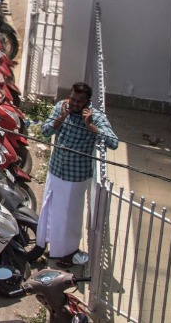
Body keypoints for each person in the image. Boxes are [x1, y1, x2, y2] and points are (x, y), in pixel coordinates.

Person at [35, 82, 119, 267]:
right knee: (50, 209)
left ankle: (67, 253)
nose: (74, 103)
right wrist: (62, 118)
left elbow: (113, 142)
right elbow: (45, 130)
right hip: (56, 170)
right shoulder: (61, 108)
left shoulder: (95, 117)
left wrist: (91, 127)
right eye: (73, 98)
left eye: (79, 101)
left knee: (68, 217)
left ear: (87, 102)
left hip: (75, 177)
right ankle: (44, 244)